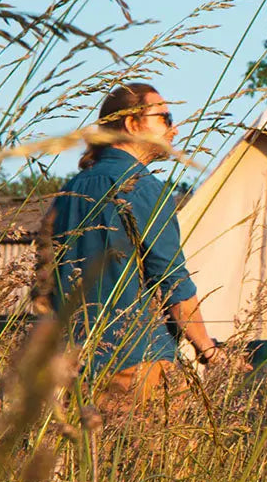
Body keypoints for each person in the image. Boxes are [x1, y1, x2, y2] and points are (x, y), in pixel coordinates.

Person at [46, 82, 218, 407]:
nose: (174, 129)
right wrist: (208, 347)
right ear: (131, 124)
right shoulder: (144, 188)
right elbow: (172, 282)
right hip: (136, 361)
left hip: (70, 368)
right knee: (162, 458)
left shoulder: (68, 191)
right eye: (165, 117)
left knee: (89, 458)